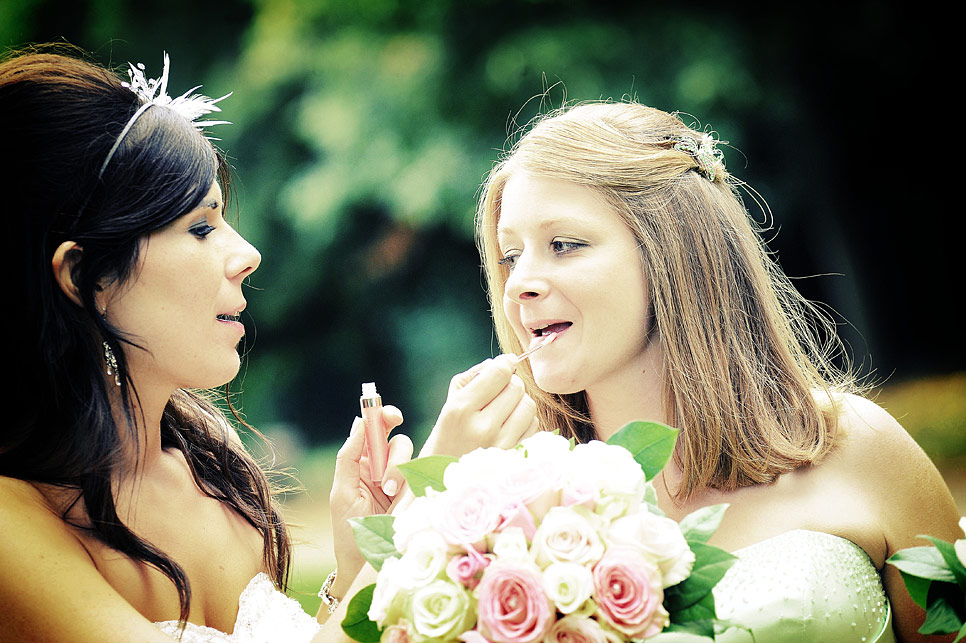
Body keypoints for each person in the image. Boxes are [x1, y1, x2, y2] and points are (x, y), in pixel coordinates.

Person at [0, 45, 539, 642]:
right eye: (200, 228)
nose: (247, 255)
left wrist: (355, 563)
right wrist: (427, 510)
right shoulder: (12, 523)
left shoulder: (210, 467)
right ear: (83, 277)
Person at [467, 101, 962, 642]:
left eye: (564, 245)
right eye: (511, 255)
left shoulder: (857, 446)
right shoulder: (502, 513)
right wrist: (416, 514)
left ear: (673, 252)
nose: (518, 284)